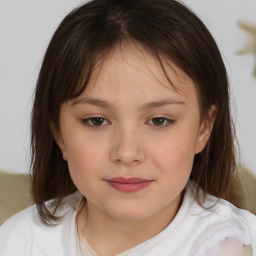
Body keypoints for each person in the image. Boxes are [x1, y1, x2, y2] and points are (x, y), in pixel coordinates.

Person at [0, 0, 255, 255]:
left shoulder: (236, 244)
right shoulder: (19, 242)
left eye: (159, 120)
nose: (127, 152)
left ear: (204, 128)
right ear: (58, 132)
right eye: (96, 120)